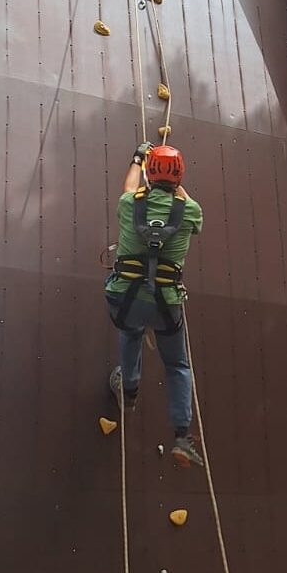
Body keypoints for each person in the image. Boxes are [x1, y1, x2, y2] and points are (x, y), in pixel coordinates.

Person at [104, 140, 204, 467]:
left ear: (149, 172)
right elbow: (189, 205)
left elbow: (129, 186)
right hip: (166, 302)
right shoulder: (190, 211)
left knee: (131, 332)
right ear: (179, 178)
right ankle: (181, 436)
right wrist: (174, 183)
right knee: (177, 365)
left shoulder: (129, 203)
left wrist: (138, 157)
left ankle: (129, 389)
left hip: (126, 296)